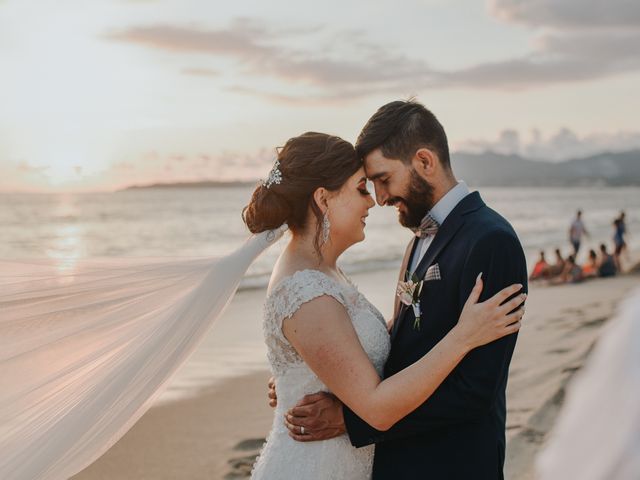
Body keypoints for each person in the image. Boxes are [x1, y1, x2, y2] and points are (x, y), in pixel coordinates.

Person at [246, 131, 525, 479]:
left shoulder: (488, 240)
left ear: (425, 161)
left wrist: (317, 377)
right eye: (363, 187)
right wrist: (463, 336)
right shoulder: (306, 287)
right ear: (323, 199)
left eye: (380, 181)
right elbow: (371, 395)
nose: (374, 200)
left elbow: (474, 387)